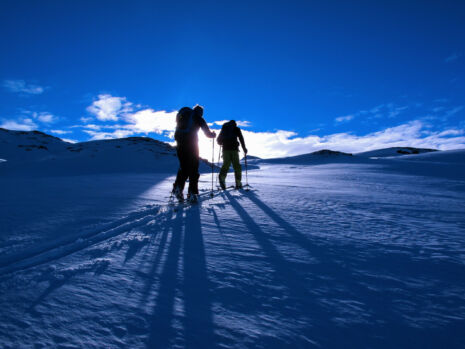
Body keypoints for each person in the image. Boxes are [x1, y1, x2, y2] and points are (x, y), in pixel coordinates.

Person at [172, 105, 216, 203]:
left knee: (183, 168)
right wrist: (213, 135)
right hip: (192, 145)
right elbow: (207, 133)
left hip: (180, 145)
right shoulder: (198, 118)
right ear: (200, 112)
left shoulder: (183, 116)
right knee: (194, 169)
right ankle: (192, 193)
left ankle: (178, 188)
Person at [217, 120, 247, 189]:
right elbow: (241, 139)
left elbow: (218, 140)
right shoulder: (236, 129)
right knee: (237, 166)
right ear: (235, 124)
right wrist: (244, 148)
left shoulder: (224, 129)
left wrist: (222, 143)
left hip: (225, 149)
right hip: (234, 149)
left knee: (226, 165)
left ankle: (222, 179)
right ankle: (238, 182)